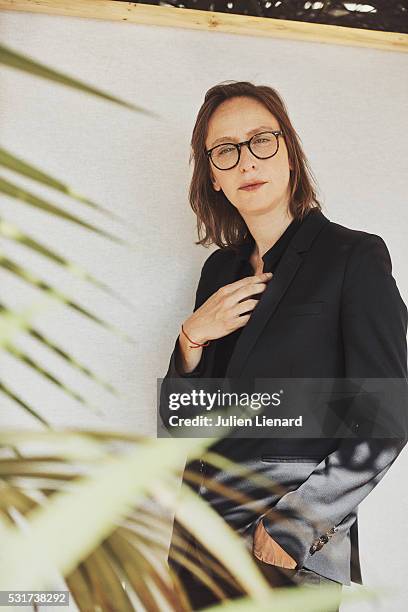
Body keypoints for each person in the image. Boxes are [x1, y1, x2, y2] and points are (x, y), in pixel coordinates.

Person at [159, 81, 407, 611]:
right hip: (197, 549)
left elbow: (388, 413)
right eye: (225, 150)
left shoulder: (354, 257)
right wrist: (191, 337)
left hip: (282, 551)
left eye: (260, 140)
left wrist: (298, 523)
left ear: (289, 152)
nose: (246, 160)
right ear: (214, 177)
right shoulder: (218, 272)